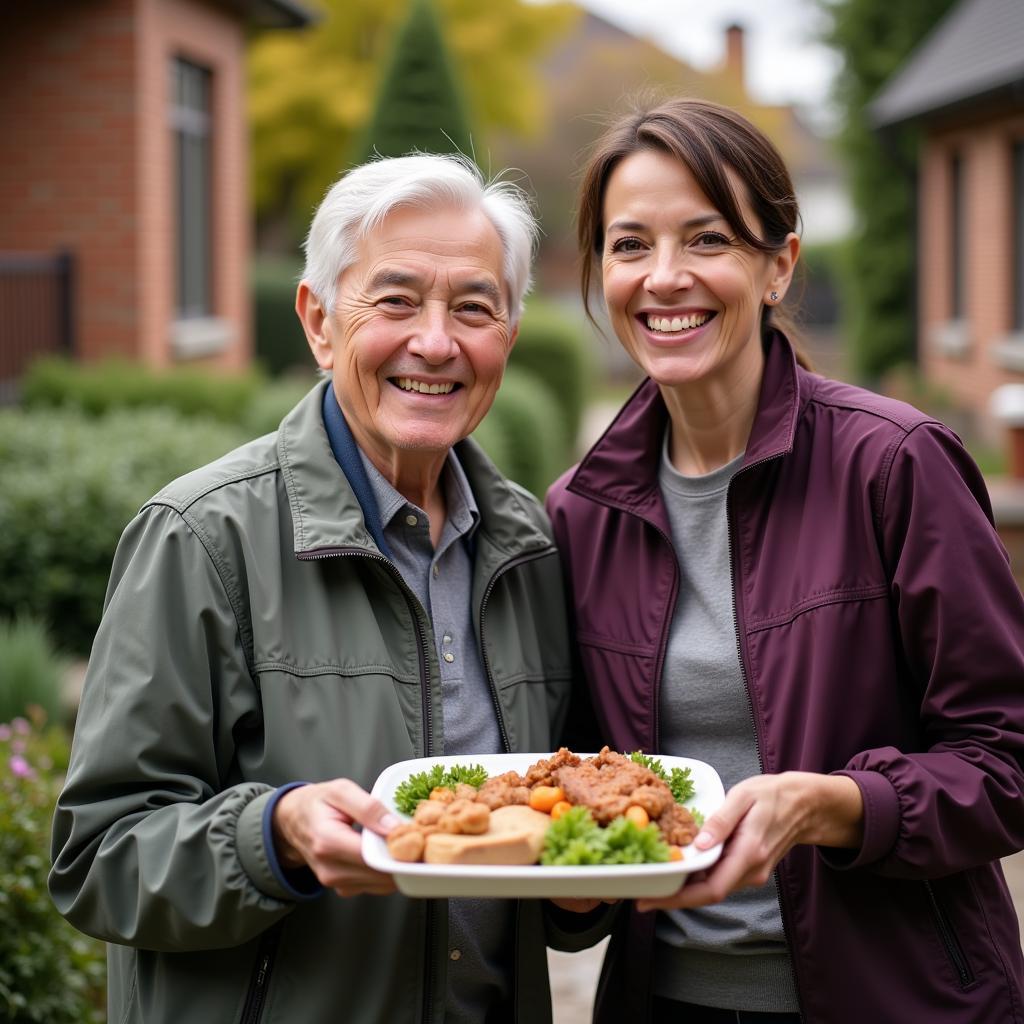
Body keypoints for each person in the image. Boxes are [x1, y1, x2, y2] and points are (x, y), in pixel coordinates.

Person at [49, 153, 575, 1024]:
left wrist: (583, 886)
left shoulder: (527, 548)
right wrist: (274, 838)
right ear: (320, 321)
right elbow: (98, 858)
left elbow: (538, 857)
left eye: (473, 308)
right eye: (396, 300)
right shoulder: (202, 537)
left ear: (507, 340)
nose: (436, 342)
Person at [546, 98, 1024, 1023]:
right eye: (630, 245)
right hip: (664, 1001)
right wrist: (562, 880)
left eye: (707, 239)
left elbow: (1007, 765)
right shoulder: (579, 513)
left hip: (903, 997)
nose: (665, 278)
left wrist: (837, 805)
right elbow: (589, 799)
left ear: (779, 265)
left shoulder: (894, 464)